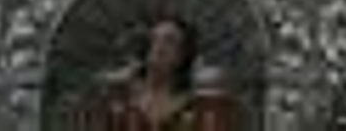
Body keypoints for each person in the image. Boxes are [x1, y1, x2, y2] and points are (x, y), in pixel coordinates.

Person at [87, 16, 238, 129]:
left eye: (169, 41)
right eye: (154, 39)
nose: (159, 47)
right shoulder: (120, 99)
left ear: (183, 54)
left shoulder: (197, 104)